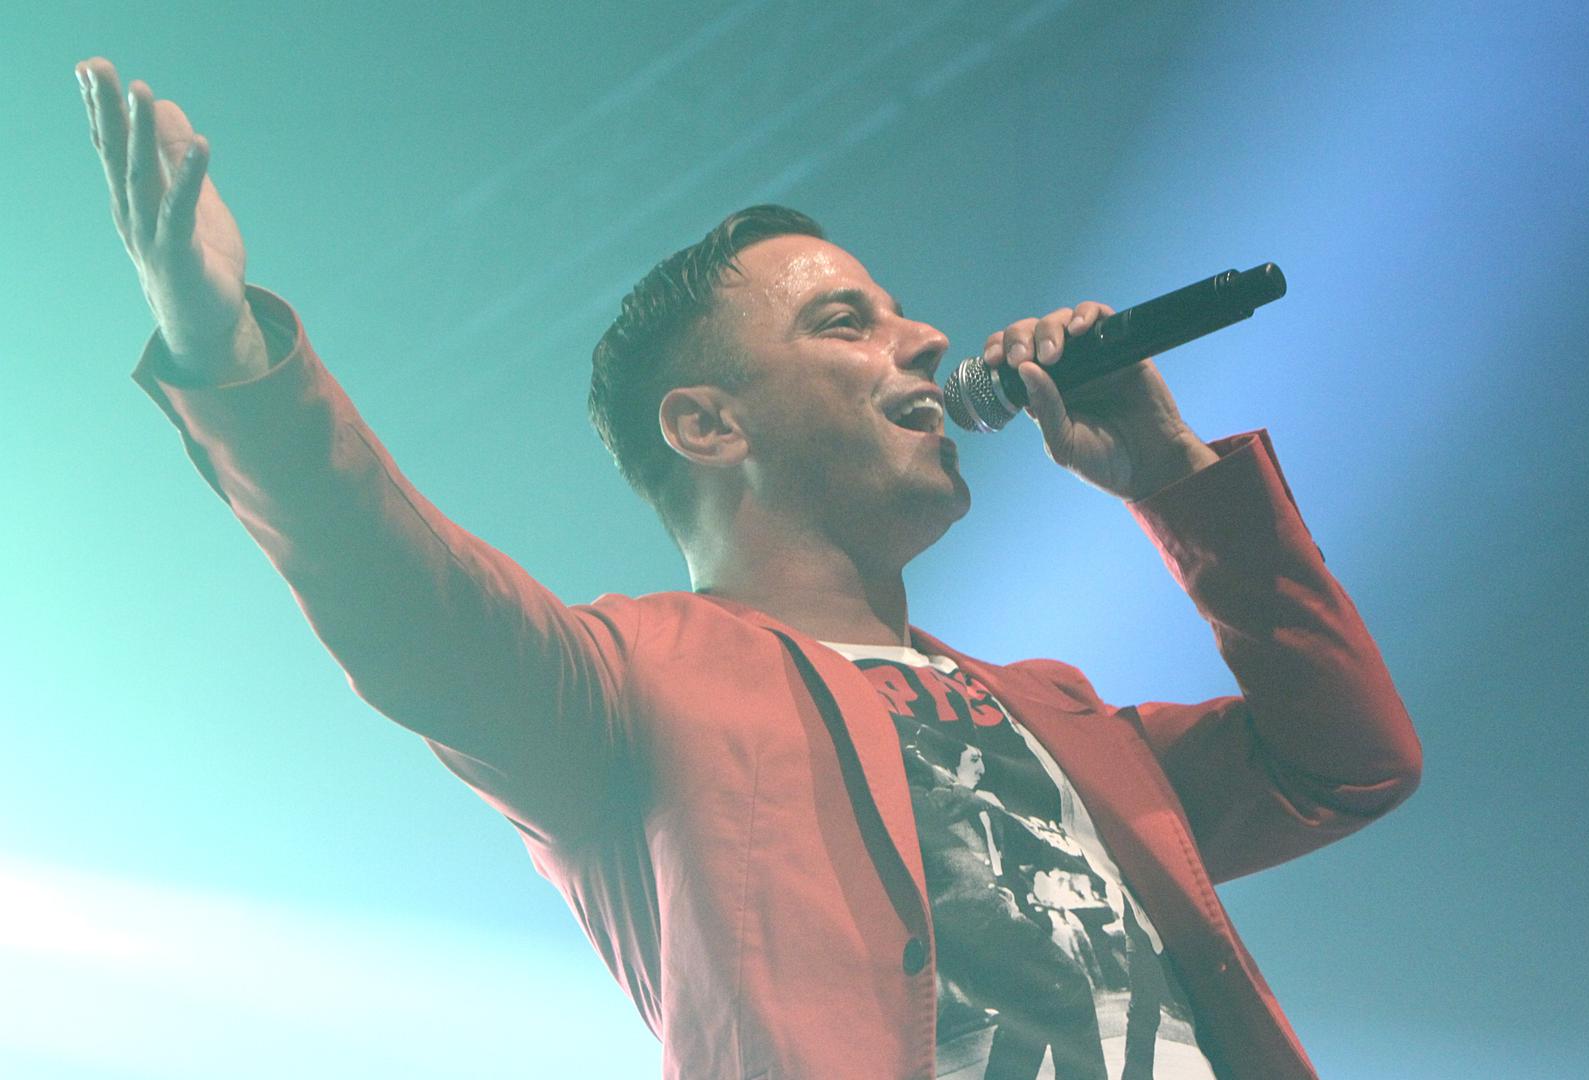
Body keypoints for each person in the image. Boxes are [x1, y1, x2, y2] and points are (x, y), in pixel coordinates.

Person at [75, 56, 1422, 1080]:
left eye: (900, 313)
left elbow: (1349, 762)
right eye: (846, 321)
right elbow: (397, 589)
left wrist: (1173, 474)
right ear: (709, 426)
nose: (923, 339)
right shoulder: (625, 684)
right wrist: (227, 351)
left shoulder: (1052, 711)